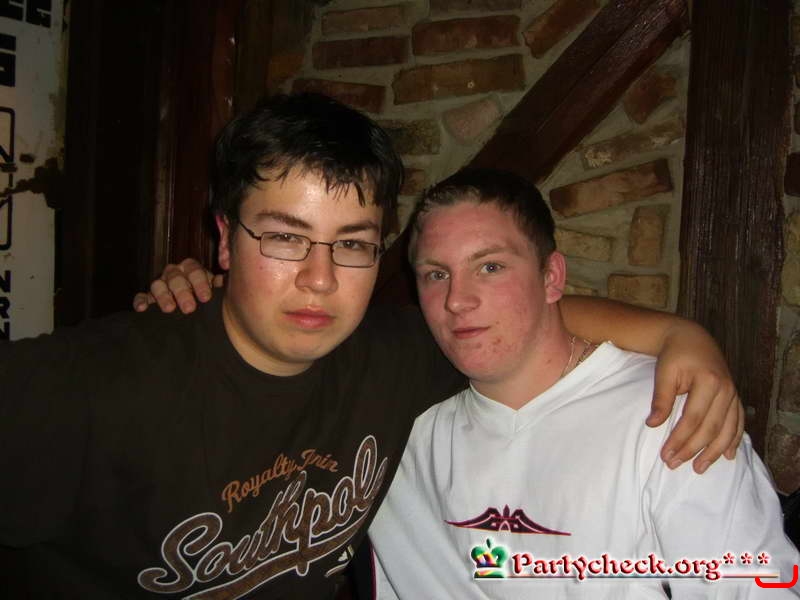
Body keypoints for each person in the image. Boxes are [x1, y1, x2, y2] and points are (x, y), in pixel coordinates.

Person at [0, 93, 740, 599]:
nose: (319, 279)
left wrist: (680, 334)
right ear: (225, 239)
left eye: (351, 244)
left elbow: (520, 316)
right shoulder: (86, 386)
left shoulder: (397, 355)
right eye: (285, 237)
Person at [366, 169, 799, 599]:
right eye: (436, 274)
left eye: (491, 267)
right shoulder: (393, 422)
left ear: (552, 277)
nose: (458, 300)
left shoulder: (670, 415)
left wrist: (680, 335)